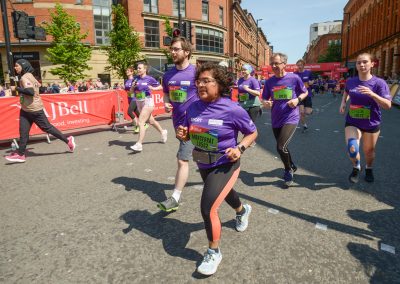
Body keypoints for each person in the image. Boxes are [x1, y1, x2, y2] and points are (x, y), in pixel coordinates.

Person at [176, 62, 257, 275]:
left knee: (208, 207)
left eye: (206, 81)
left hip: (225, 164)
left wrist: (239, 148)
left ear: (219, 84)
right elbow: (189, 131)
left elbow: (252, 133)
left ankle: (214, 251)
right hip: (203, 161)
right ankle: (242, 210)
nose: (200, 85)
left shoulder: (232, 109)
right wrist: (184, 134)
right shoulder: (193, 106)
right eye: (198, 81)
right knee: (224, 192)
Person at [5, 59, 75, 163]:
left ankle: (67, 140)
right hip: (26, 109)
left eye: (17, 66)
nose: (15, 68)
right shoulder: (30, 76)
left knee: (48, 128)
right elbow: (39, 87)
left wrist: (16, 88)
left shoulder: (25, 77)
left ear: (23, 66)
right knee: (23, 132)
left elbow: (30, 91)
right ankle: (21, 154)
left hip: (34, 110)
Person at [157, 36, 198, 212]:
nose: (172, 52)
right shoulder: (168, 75)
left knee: (182, 159)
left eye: (176, 49)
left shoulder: (197, 72)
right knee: (198, 155)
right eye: (171, 49)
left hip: (194, 123)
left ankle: (175, 197)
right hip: (177, 122)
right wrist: (166, 103)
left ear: (186, 52)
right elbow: (166, 93)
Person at [339, 53, 391, 183]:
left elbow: (388, 105)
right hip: (353, 121)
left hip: (371, 123)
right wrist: (343, 103)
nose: (361, 65)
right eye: (358, 62)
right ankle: (356, 166)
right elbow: (347, 91)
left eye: (365, 62)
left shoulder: (379, 83)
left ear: (372, 64)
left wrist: (373, 94)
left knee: (369, 151)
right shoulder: (351, 81)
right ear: (356, 65)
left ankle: (369, 168)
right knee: (352, 148)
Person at [262, 53, 308, 187]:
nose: (274, 66)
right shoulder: (269, 81)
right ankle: (292, 164)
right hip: (276, 117)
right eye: (272, 64)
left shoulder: (294, 78)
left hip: (291, 117)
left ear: (284, 64)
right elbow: (265, 98)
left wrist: (297, 99)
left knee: (280, 146)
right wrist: (265, 103)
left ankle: (288, 170)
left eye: (276, 63)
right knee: (283, 147)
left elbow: (305, 92)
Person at [130, 62, 168, 151]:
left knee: (141, 122)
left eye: (140, 68)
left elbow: (160, 87)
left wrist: (153, 88)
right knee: (151, 121)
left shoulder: (149, 79)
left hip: (148, 101)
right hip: (139, 101)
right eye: (137, 68)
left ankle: (139, 144)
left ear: (144, 69)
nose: (138, 69)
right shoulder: (135, 79)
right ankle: (163, 132)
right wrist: (132, 87)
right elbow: (131, 92)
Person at [294, 59, 313, 132]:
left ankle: (310, 110)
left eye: (300, 65)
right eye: (298, 65)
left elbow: (312, 80)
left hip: (307, 94)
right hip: (299, 95)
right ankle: (304, 125)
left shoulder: (308, 73)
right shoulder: (295, 74)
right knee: (301, 112)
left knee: (307, 112)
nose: (299, 66)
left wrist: (311, 82)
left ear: (303, 65)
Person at [124, 67, 141, 133]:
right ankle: (144, 124)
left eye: (128, 71)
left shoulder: (134, 80)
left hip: (134, 98)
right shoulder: (126, 81)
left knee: (129, 112)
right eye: (127, 71)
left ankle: (137, 126)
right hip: (129, 98)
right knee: (137, 113)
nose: (127, 72)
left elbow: (137, 88)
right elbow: (126, 90)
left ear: (132, 72)